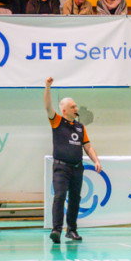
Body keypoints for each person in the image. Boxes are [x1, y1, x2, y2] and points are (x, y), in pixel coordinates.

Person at [44, 77, 102, 244]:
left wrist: (96, 160)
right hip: (61, 168)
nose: (77, 108)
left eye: (76, 106)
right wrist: (47, 87)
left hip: (77, 168)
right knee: (60, 196)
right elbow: (48, 106)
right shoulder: (57, 122)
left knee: (75, 198)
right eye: (73, 106)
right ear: (64, 111)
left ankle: (72, 230)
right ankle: (56, 230)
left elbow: (88, 147)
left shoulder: (80, 127)